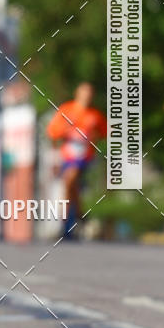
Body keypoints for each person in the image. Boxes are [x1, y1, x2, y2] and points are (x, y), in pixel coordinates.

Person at [46, 83, 107, 240]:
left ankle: (68, 221)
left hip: (84, 157)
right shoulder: (67, 110)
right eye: (84, 93)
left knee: (69, 180)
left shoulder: (94, 115)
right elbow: (52, 132)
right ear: (77, 94)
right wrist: (54, 157)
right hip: (67, 155)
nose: (87, 97)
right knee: (71, 187)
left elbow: (105, 131)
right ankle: (77, 216)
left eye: (89, 94)